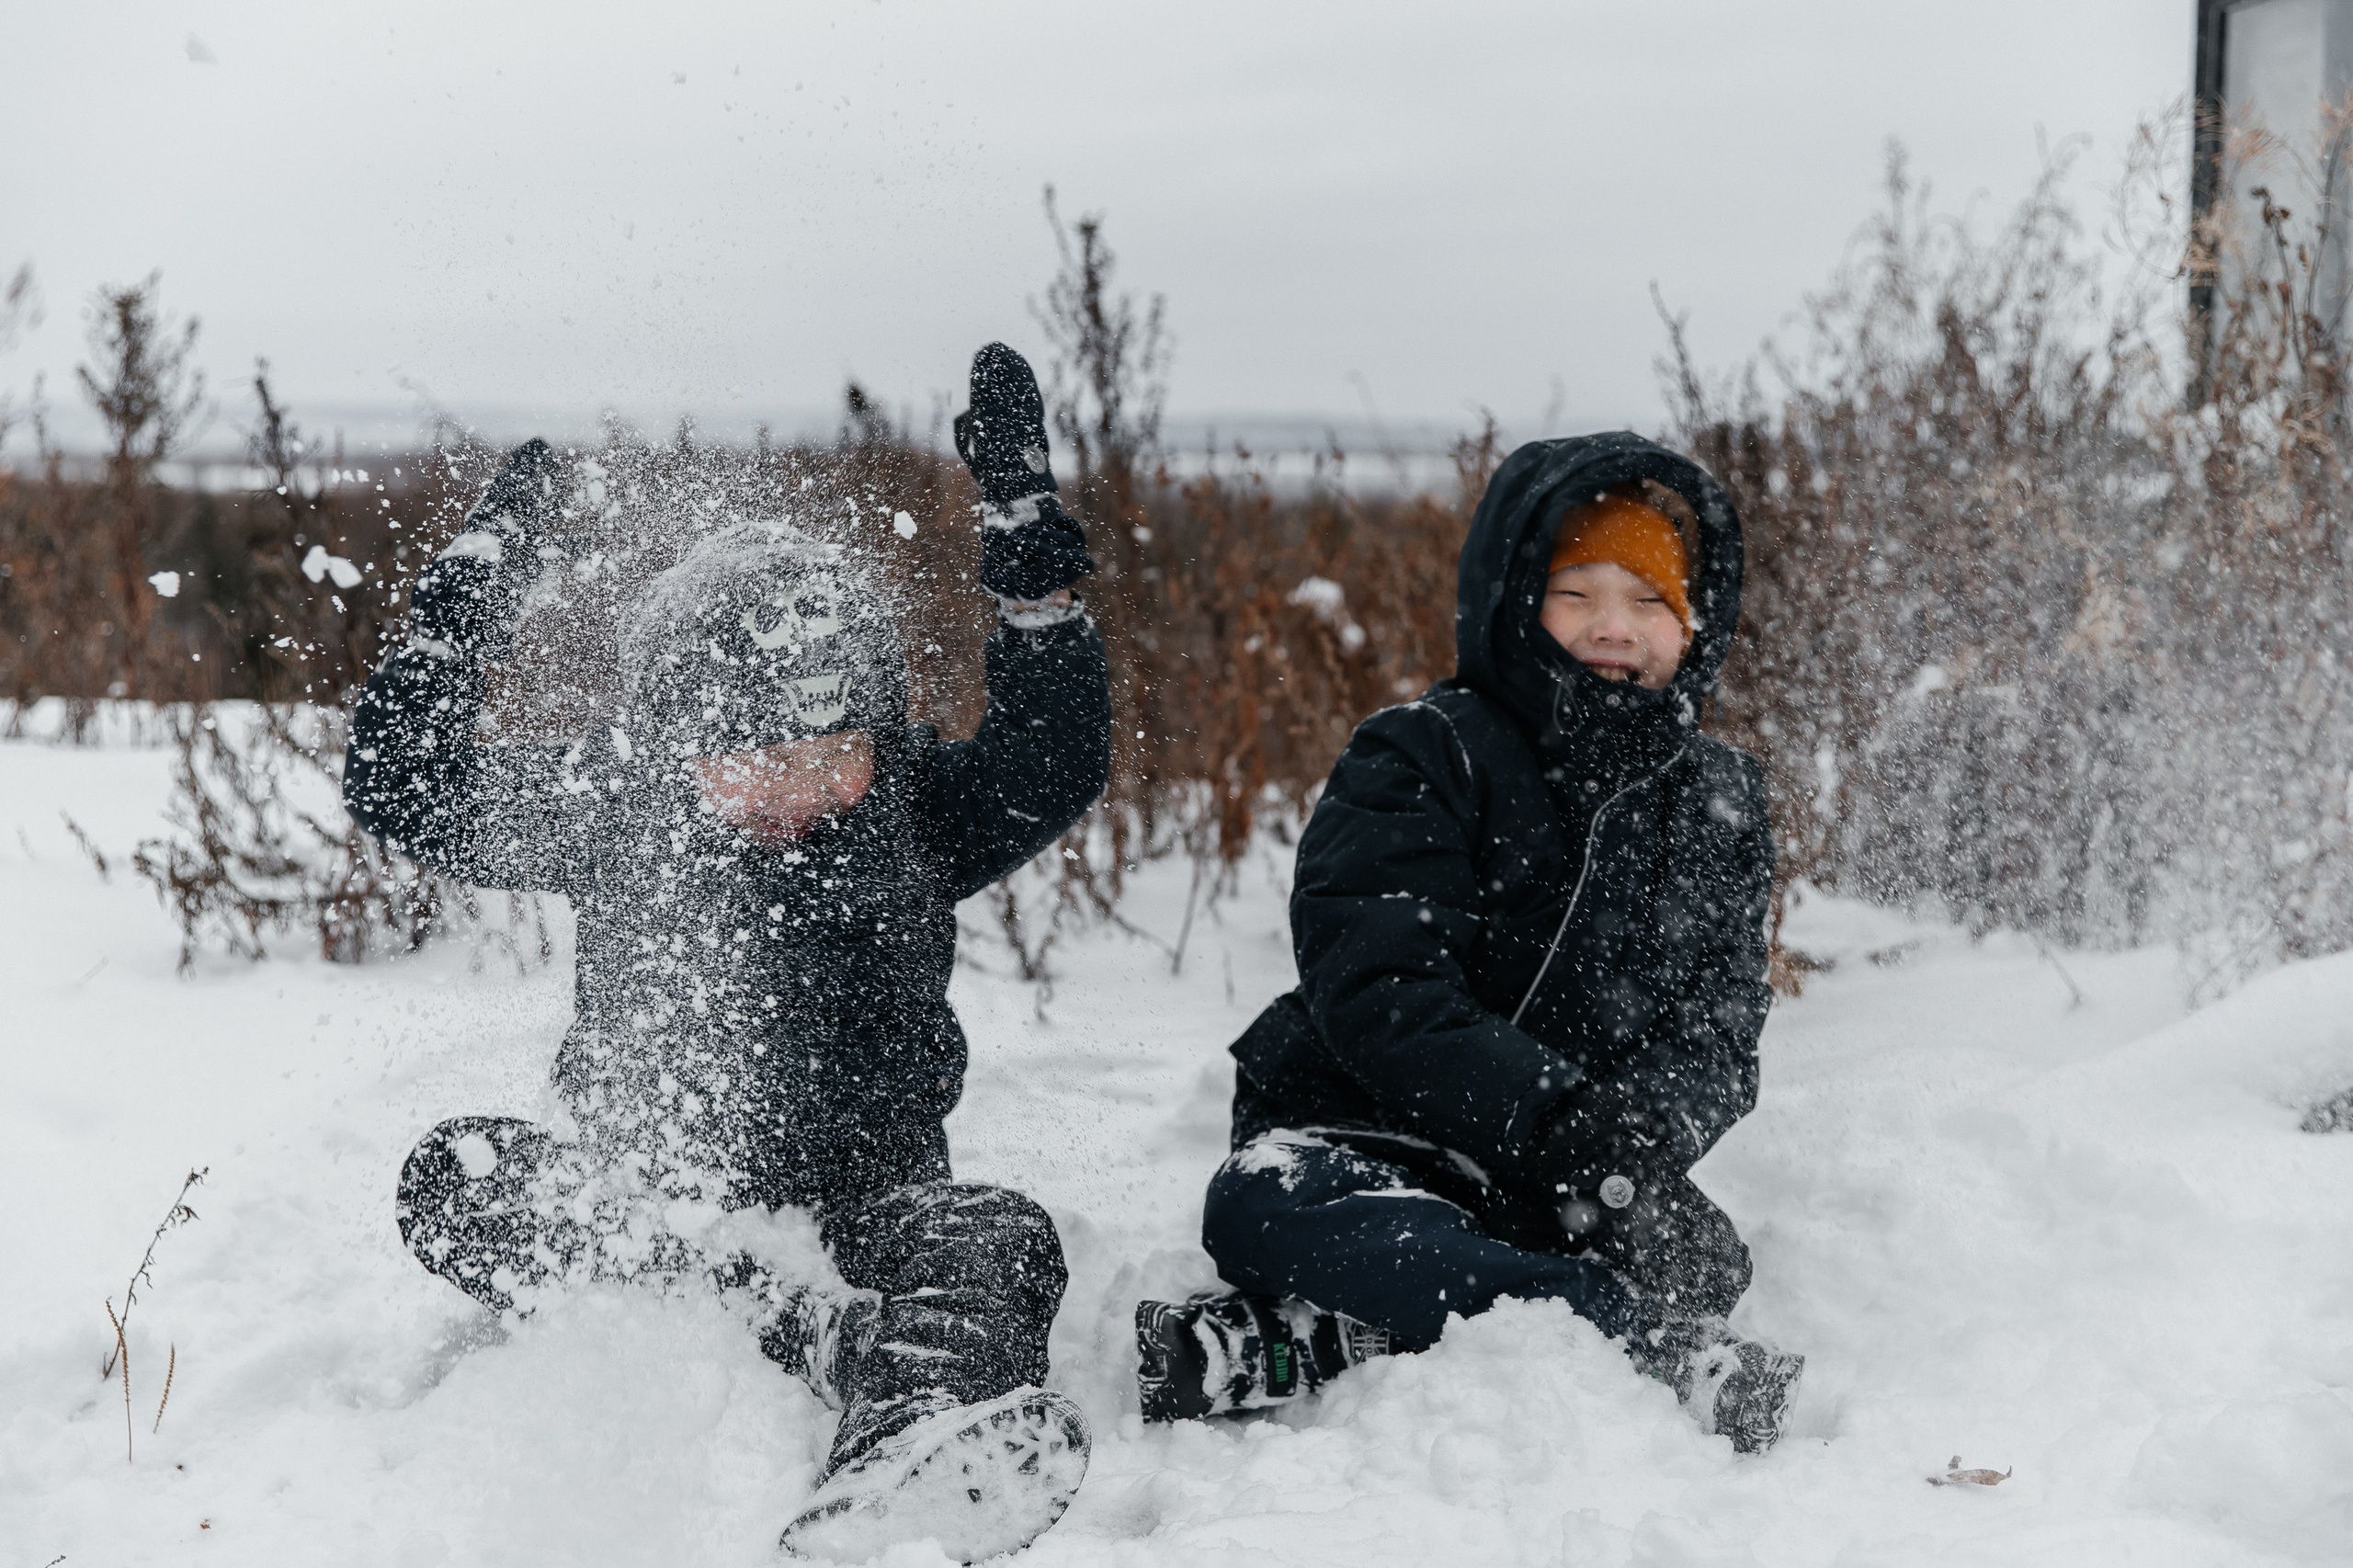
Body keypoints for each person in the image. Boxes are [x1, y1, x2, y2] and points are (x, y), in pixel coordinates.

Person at [345, 346, 1111, 1561]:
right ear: (674, 747)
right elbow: (405, 783)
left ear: (879, 732)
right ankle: (790, 1317)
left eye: (832, 754)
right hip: (656, 1201)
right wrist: (472, 592)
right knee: (459, 1171)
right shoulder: (615, 806)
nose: (799, 792)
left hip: (872, 1198)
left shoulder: (913, 809)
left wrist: (1030, 569)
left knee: (999, 1234)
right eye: (750, 761)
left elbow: (1055, 756)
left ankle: (903, 1439)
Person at [1133, 432, 1803, 1451]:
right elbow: (1381, 990)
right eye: (1576, 593)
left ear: (1692, 624)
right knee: (1258, 1203)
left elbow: (1718, 1026)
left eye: (1649, 600)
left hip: (1563, 1181)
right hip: (1370, 1139)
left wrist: (1627, 1155)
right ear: (1514, 599)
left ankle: (1326, 1336)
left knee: (1705, 1259)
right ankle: (1631, 1339)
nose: (1613, 626)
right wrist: (1558, 1117)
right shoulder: (1423, 749)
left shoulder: (1717, 797)